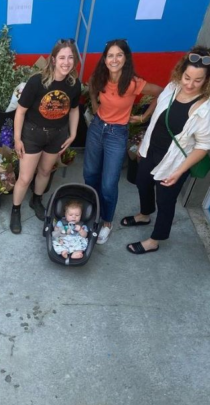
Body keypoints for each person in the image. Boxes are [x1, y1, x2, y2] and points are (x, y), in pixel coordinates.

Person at [121, 47, 210, 254]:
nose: (190, 84)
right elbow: (158, 111)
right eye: (187, 77)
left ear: (206, 80)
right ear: (181, 72)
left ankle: (155, 240)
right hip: (151, 150)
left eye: (198, 80)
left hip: (176, 162)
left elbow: (203, 147)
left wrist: (179, 172)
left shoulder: (205, 108)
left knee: (165, 200)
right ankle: (144, 214)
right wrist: (143, 126)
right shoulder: (172, 87)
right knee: (142, 182)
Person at [84, 39, 163, 244]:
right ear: (105, 58)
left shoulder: (133, 82)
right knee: (90, 174)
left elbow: (161, 92)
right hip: (96, 128)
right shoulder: (100, 76)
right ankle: (92, 208)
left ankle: (107, 222)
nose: (114, 59)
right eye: (110, 55)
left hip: (117, 134)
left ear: (126, 58)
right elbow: (92, 85)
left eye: (119, 55)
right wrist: (94, 105)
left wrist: (145, 117)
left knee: (109, 183)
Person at [10, 39, 82, 234]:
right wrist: (17, 139)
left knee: (44, 172)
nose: (66, 62)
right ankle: (15, 210)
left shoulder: (74, 84)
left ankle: (36, 200)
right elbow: (20, 112)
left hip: (57, 135)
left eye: (70, 57)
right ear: (53, 59)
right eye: (62, 57)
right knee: (25, 178)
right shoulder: (37, 82)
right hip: (33, 135)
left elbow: (74, 110)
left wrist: (73, 133)